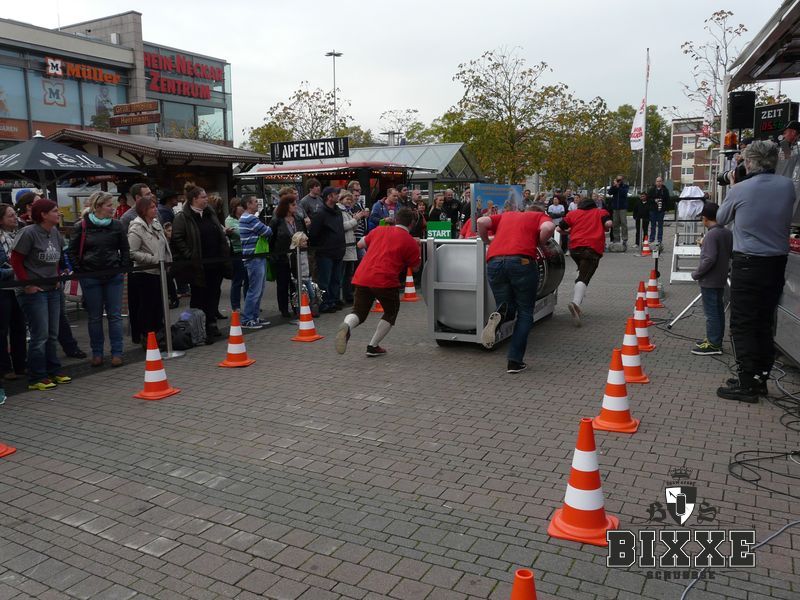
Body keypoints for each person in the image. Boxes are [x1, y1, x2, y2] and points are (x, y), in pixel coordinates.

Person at [715, 140, 795, 402]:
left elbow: (721, 218)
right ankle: (759, 377)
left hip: (749, 262)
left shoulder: (741, 189)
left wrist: (734, 184)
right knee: (764, 320)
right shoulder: (787, 186)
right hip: (777, 262)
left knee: (743, 322)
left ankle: (747, 383)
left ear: (749, 162)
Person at [477, 206, 555, 373]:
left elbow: (481, 221)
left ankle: (499, 318)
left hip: (494, 261)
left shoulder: (506, 215)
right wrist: (539, 242)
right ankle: (514, 361)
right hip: (522, 261)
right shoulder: (539, 216)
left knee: (506, 307)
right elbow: (549, 228)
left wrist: (486, 241)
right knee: (525, 312)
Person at [335, 207, 421, 357]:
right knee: (391, 312)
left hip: (363, 276)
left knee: (358, 312)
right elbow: (415, 268)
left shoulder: (379, 230)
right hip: (385, 280)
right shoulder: (410, 241)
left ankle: (347, 325)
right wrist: (417, 246)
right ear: (412, 223)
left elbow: (360, 244)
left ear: (396, 219)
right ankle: (373, 346)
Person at [9, 199, 72, 390]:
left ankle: (53, 369)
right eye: (54, 210)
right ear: (43, 214)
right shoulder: (28, 233)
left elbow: (58, 258)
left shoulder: (55, 232)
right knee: (40, 334)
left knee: (52, 333)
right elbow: (16, 260)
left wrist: (59, 275)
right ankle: (37, 376)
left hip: (52, 288)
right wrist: (27, 285)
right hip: (34, 291)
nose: (59, 213)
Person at [68, 191, 130, 367]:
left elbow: (125, 249)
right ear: (98, 206)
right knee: (94, 317)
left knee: (115, 316)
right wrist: (80, 270)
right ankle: (97, 353)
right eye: (109, 205)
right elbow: (72, 251)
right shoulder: (82, 226)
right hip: (90, 277)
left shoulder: (117, 225)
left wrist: (121, 268)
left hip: (113, 276)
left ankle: (117, 352)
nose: (113, 208)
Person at [172, 183, 230, 341]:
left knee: (214, 293)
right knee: (199, 297)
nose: (206, 199)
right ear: (194, 199)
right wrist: (189, 254)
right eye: (203, 197)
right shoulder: (183, 217)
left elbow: (218, 233)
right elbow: (177, 238)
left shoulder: (210, 213)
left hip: (215, 263)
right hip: (197, 265)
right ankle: (197, 327)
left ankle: (211, 323)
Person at [557, 195, 612, 326]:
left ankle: (579, 295)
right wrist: (605, 227)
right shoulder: (600, 212)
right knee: (584, 277)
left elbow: (559, 228)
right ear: (593, 205)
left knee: (582, 270)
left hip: (575, 249)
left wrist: (569, 232)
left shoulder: (573, 214)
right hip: (591, 249)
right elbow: (608, 224)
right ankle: (575, 303)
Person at [127, 192, 171, 347]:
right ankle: (147, 335)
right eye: (152, 207)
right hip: (145, 272)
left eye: (155, 206)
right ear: (143, 210)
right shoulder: (136, 228)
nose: (155, 209)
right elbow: (132, 252)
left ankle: (158, 334)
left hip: (160, 271)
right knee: (147, 306)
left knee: (159, 305)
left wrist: (167, 259)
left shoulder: (156, 223)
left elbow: (163, 244)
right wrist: (154, 259)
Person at [690, 202, 733, 356]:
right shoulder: (727, 232)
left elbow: (709, 259)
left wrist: (696, 274)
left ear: (705, 218)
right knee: (718, 311)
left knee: (711, 313)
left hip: (710, 279)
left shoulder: (711, 235)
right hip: (721, 277)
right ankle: (715, 339)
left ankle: (714, 344)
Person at [270, 188, 305, 318]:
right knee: (283, 284)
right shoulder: (276, 221)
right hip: (282, 257)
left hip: (297, 257)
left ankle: (296, 306)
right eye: (293, 204)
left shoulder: (298, 219)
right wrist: (273, 256)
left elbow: (304, 235)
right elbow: (271, 239)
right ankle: (284, 309)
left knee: (296, 283)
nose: (296, 206)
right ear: (286, 206)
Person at [0, 204, 26, 381]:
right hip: (3, 289)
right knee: (2, 330)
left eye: (14, 214)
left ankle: (20, 365)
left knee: (19, 327)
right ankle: (4, 368)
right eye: (10, 216)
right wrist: (14, 271)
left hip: (19, 288)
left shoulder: (19, 235)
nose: (15, 217)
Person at [238, 195, 272, 329]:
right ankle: (247, 319)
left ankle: (254, 316)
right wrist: (265, 229)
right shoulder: (250, 218)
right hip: (254, 258)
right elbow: (267, 231)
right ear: (248, 204)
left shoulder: (245, 218)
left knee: (258, 289)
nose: (257, 204)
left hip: (255, 257)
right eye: (255, 202)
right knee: (255, 290)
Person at [310, 186, 346, 313]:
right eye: (335, 194)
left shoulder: (338, 212)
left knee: (336, 279)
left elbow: (340, 229)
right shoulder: (320, 213)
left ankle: (334, 300)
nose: (338, 196)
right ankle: (324, 303)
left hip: (338, 250)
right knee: (324, 280)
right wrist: (320, 246)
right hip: (325, 252)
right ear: (329, 197)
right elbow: (314, 233)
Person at [338, 190, 369, 305]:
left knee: (349, 273)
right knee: (342, 273)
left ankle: (348, 295)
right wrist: (355, 219)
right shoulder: (340, 211)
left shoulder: (348, 211)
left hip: (351, 244)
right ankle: (341, 297)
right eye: (347, 199)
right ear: (341, 199)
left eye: (351, 200)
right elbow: (343, 226)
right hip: (344, 245)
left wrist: (357, 219)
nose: (349, 201)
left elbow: (353, 228)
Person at [225, 198, 249, 313]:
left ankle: (249, 304)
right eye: (240, 206)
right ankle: (236, 306)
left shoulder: (245, 218)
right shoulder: (229, 220)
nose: (243, 208)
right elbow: (241, 233)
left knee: (248, 280)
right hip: (237, 252)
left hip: (247, 251)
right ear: (234, 208)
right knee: (237, 280)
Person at [607, 175, 629, 249]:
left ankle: (624, 239)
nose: (618, 181)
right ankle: (616, 239)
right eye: (617, 179)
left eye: (620, 180)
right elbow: (610, 192)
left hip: (623, 207)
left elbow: (624, 193)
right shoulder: (614, 186)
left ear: (622, 180)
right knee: (615, 224)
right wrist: (614, 186)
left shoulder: (625, 186)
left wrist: (618, 187)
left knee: (623, 223)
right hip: (615, 208)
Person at [647, 176, 670, 246]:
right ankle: (652, 239)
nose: (659, 183)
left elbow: (667, 200)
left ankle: (659, 239)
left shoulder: (665, 190)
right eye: (657, 181)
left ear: (662, 182)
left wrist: (666, 208)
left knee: (660, 225)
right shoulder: (652, 189)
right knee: (653, 225)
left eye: (660, 181)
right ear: (655, 182)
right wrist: (654, 200)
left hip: (661, 210)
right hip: (653, 210)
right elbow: (648, 198)